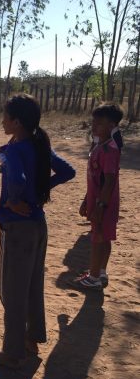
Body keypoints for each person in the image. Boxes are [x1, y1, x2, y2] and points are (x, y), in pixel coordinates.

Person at [0, 94, 75, 369]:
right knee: (32, 285)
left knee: (12, 291)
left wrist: (14, 198)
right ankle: (31, 340)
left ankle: (12, 352)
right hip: (38, 225)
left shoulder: (16, 150)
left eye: (5, 117)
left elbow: (17, 177)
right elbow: (68, 171)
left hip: (17, 229)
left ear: (17, 121)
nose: (2, 121)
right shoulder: (37, 144)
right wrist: (39, 191)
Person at [71, 103, 123, 290]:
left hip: (105, 203)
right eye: (93, 122)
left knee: (98, 238)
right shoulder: (99, 146)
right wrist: (87, 200)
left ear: (112, 126)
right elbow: (96, 179)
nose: (94, 127)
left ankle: (93, 277)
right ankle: (101, 272)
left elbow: (108, 181)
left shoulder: (110, 150)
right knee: (104, 237)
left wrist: (100, 206)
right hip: (98, 200)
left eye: (99, 124)